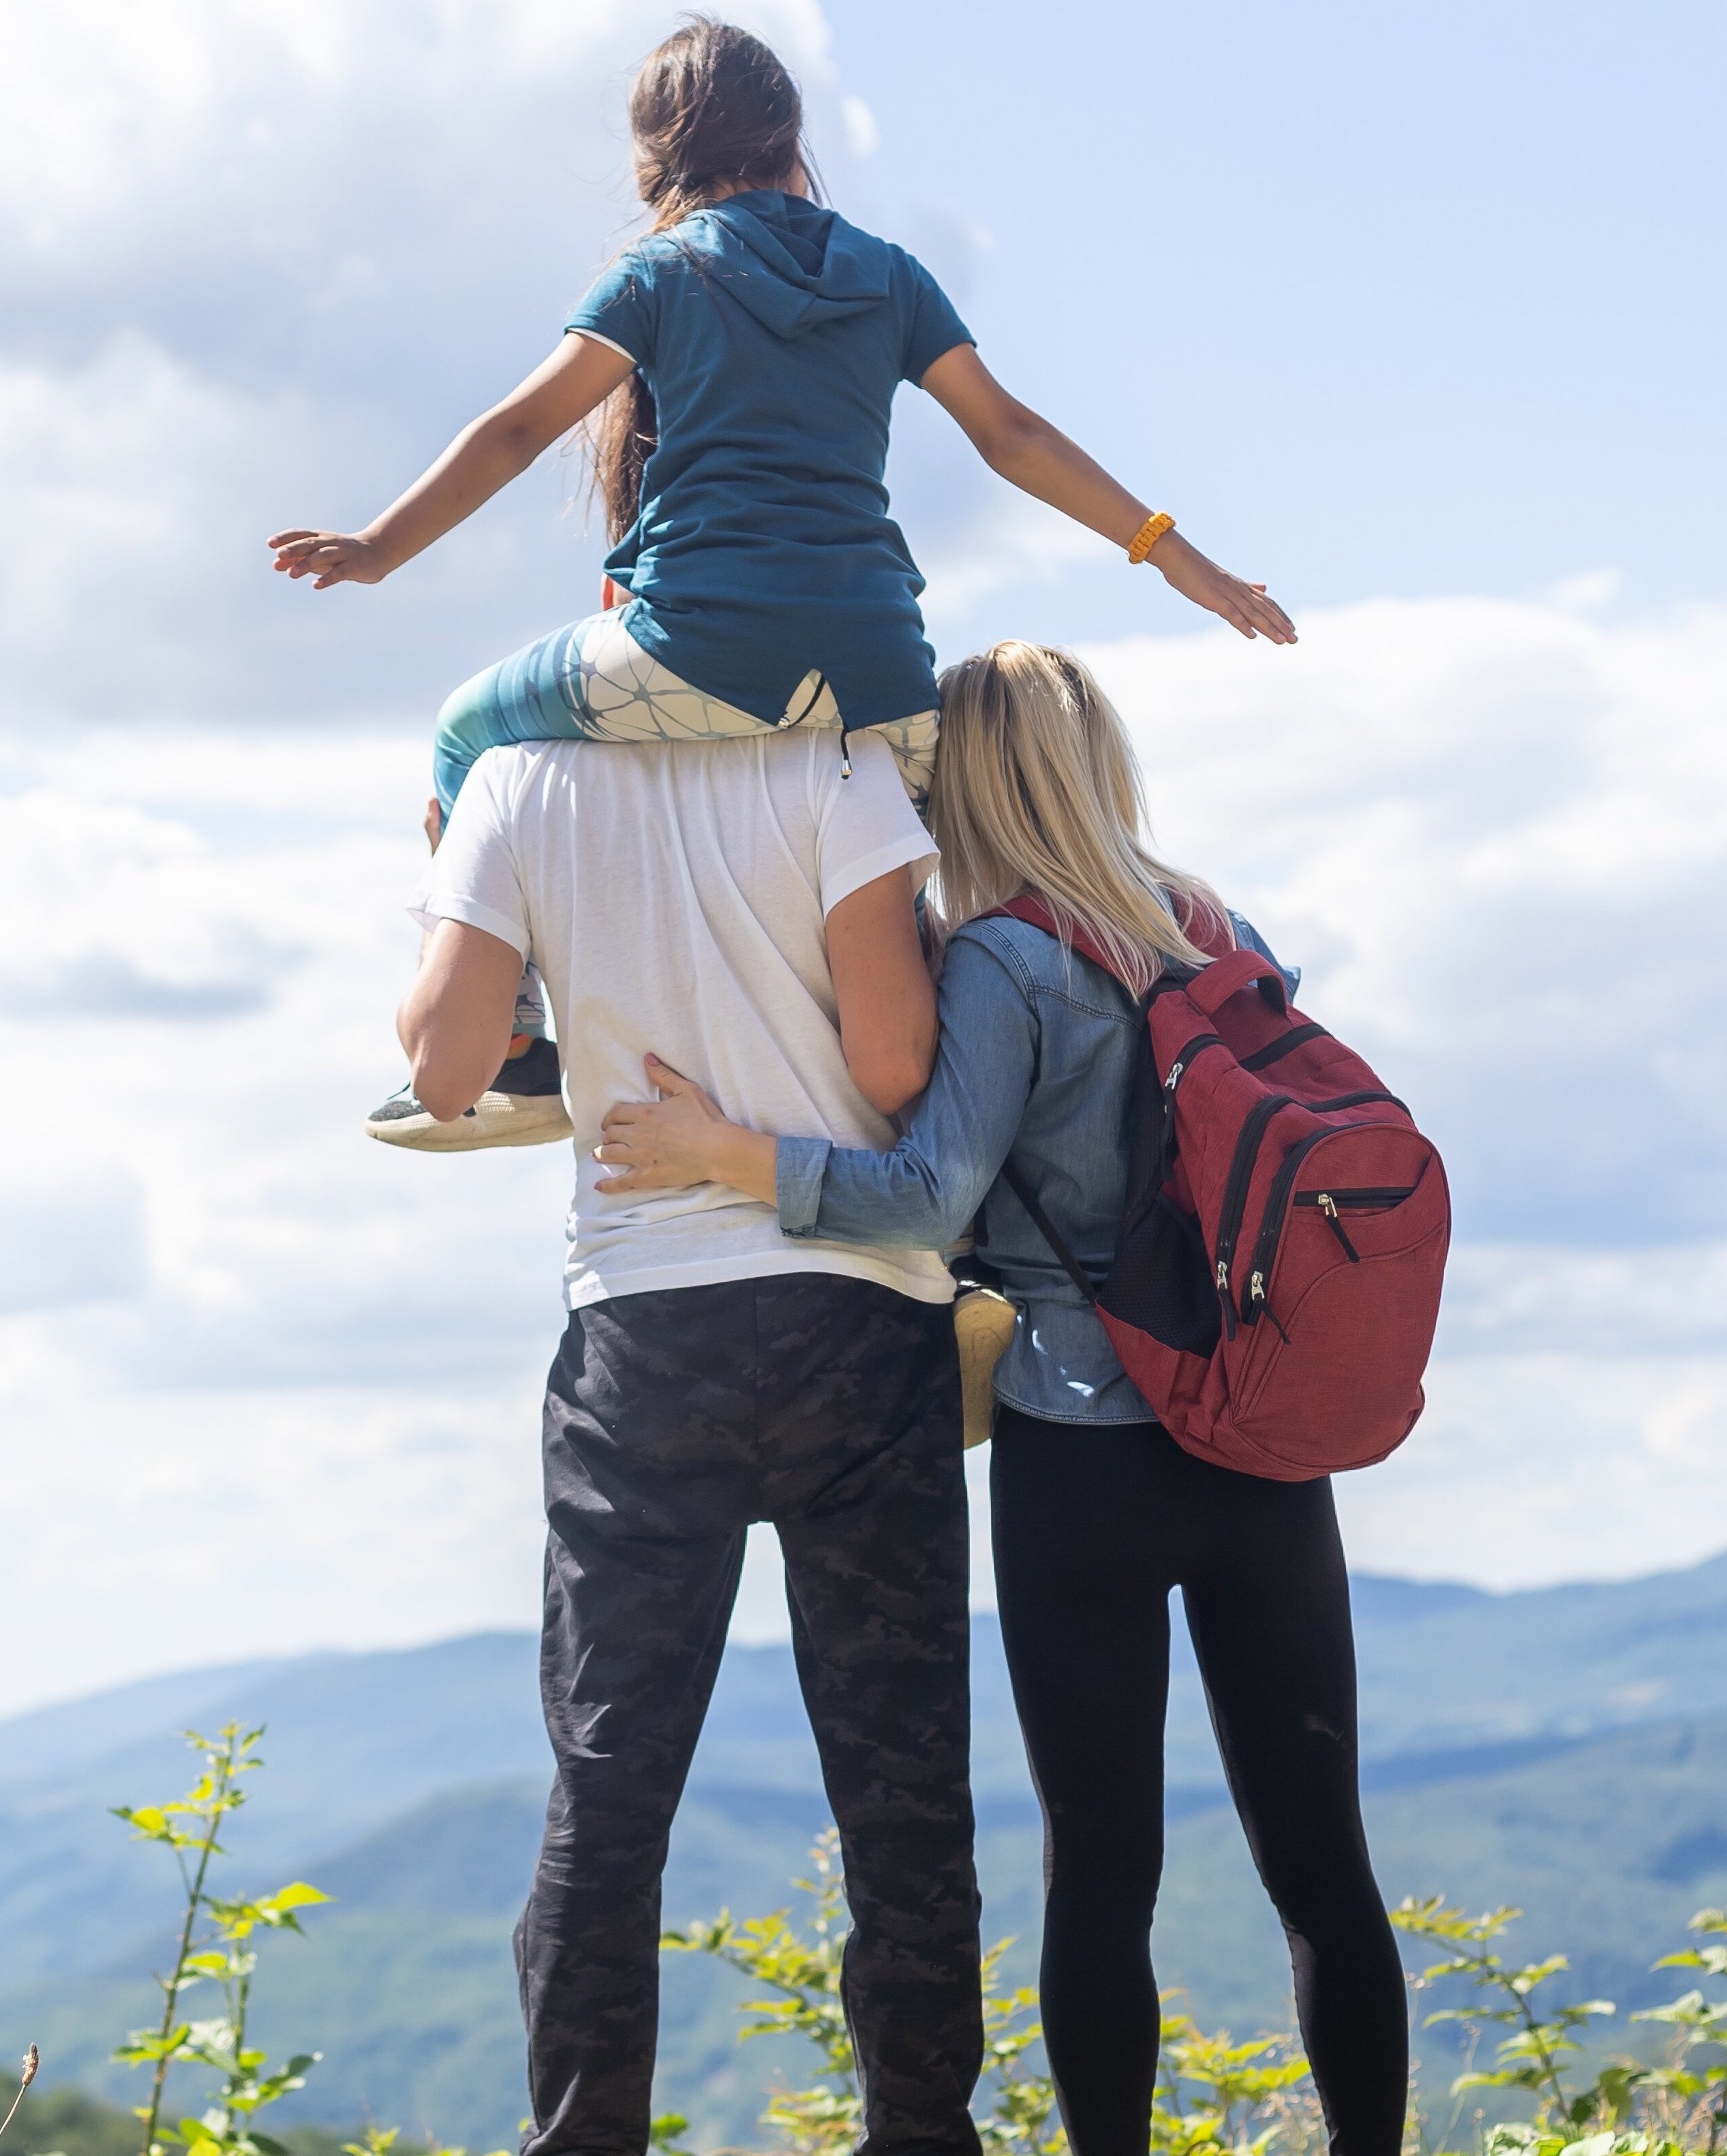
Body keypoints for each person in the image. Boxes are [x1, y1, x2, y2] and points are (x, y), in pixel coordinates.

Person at [591, 642, 1411, 2156]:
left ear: (954, 777)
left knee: (1101, 1874)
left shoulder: (1003, 957)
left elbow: (925, 1196)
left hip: (1081, 1457)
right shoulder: (1211, 924)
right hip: (1261, 1440)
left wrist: (726, 1153)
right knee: (1322, 1864)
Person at [269, 16, 1293, 1151]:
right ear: (793, 135)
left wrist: (378, 544)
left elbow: (517, 431)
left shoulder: (661, 270)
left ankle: (514, 1054)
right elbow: (1011, 433)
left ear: (657, 155)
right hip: (879, 686)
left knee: (467, 729)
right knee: (892, 1017)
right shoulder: (889, 273)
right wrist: (1174, 555)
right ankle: (966, 1150)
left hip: (693, 653)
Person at [403, 712, 981, 2156]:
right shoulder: (834, 762)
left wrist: (463, 895)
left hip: (645, 1330)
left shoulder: (514, 776)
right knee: (901, 1775)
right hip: (857, 1313)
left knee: (609, 1775)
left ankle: (584, 2139)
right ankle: (919, 2136)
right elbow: (900, 1065)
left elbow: (441, 1070)